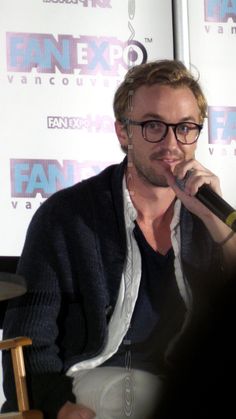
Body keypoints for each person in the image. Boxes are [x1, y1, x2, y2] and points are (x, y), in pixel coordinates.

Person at [1, 59, 236, 419]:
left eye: (186, 127)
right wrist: (57, 406)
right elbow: (30, 337)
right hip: (92, 380)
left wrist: (215, 223)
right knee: (136, 396)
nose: (172, 143)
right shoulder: (66, 217)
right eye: (154, 126)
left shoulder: (208, 218)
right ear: (123, 133)